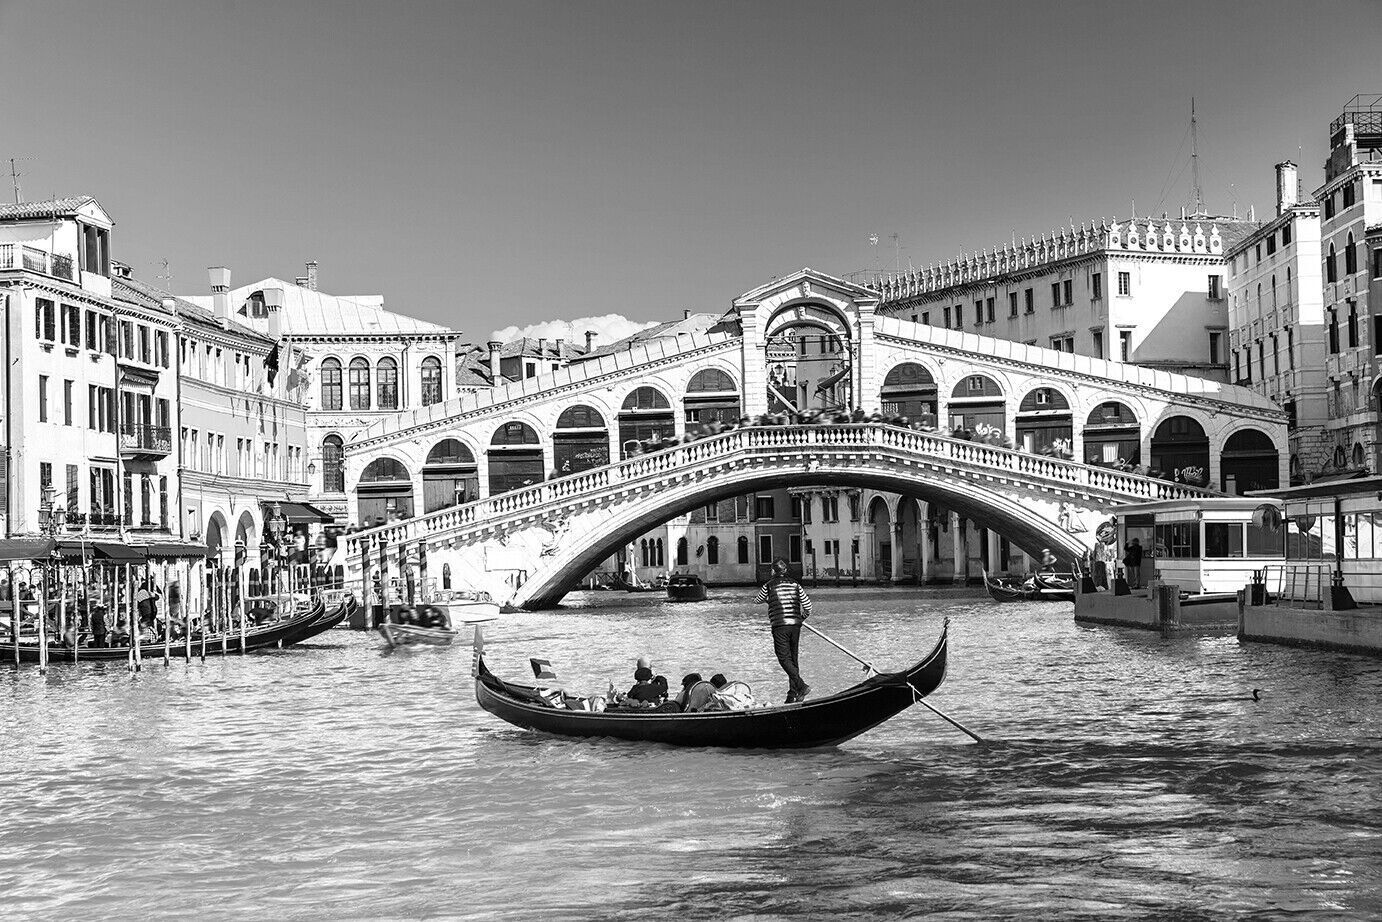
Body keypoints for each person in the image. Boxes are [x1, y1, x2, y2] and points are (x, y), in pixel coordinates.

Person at [752, 557, 813, 703]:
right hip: (795, 626)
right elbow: (808, 606)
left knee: (783, 658)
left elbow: (757, 600)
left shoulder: (769, 585)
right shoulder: (795, 584)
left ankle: (801, 685)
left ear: (773, 571)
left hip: (780, 626)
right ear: (785, 571)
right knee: (793, 659)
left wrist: (764, 599)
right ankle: (793, 694)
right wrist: (801, 618)